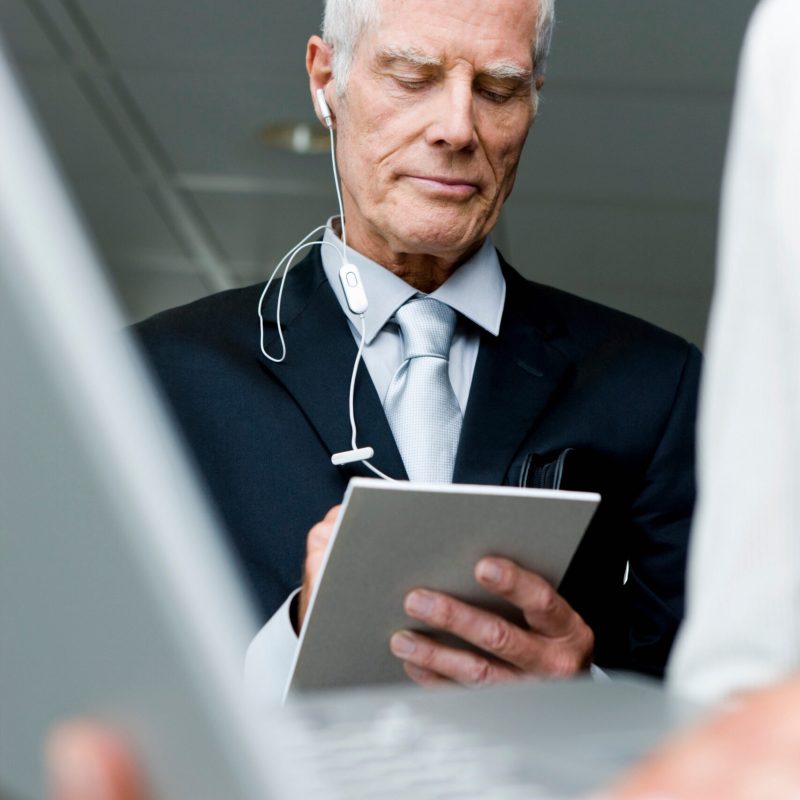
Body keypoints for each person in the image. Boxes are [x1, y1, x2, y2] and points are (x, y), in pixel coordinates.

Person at [134, 0, 699, 700]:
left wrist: (586, 697)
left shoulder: (656, 387)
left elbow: (719, 715)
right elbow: (96, 689)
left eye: (497, 90)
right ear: (325, 80)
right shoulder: (157, 380)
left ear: (532, 103)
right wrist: (293, 646)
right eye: (411, 77)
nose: (458, 128)